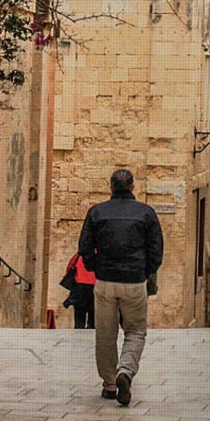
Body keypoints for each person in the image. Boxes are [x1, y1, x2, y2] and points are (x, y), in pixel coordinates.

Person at [78, 168, 163, 406]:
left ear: (111, 187)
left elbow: (84, 247)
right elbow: (156, 250)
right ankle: (125, 371)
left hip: (105, 281)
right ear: (133, 187)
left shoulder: (96, 212)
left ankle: (110, 384)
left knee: (105, 334)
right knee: (135, 331)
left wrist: (97, 267)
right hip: (134, 282)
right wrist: (146, 272)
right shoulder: (146, 213)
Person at [63, 252, 95, 329]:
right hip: (94, 288)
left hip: (80, 288)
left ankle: (78, 331)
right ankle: (91, 329)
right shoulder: (101, 255)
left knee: (79, 316)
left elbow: (69, 268)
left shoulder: (79, 255)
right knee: (93, 315)